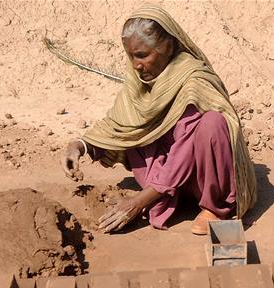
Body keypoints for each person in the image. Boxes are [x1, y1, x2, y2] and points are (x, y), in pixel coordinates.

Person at [60, 4, 257, 235]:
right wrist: (79, 146)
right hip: (164, 178)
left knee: (212, 123)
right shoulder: (140, 81)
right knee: (137, 120)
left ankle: (216, 208)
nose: (136, 65)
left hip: (200, 179)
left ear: (168, 46)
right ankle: (164, 196)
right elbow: (119, 124)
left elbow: (183, 153)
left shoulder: (193, 79)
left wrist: (138, 202)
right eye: (131, 56)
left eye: (142, 55)